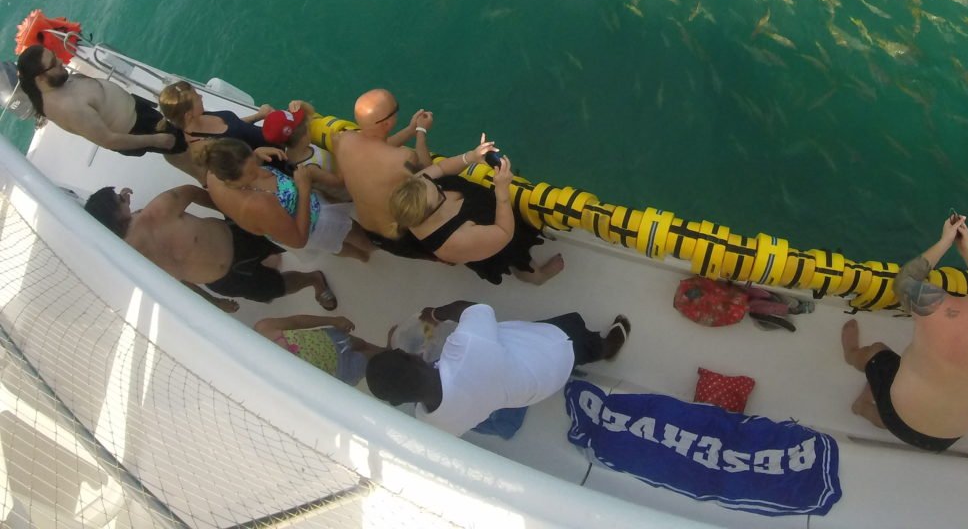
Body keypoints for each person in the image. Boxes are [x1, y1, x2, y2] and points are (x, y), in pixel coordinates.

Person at [841, 214, 968, 452]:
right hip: (954, 434)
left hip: (900, 417)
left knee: (877, 351)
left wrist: (945, 241)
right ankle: (872, 408)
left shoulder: (938, 309)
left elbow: (905, 280)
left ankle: (856, 378)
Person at [365, 301, 629, 436]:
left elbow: (422, 379)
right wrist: (437, 313)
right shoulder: (467, 349)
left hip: (530, 390)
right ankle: (605, 348)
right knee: (576, 328)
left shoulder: (430, 422)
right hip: (552, 349)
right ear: (412, 358)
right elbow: (476, 309)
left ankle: (589, 351)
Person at [83, 184, 337, 310]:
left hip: (239, 238)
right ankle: (313, 280)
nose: (125, 197)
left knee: (292, 238)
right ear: (117, 214)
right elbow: (177, 281)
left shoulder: (158, 211)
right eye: (119, 199)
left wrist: (232, 211)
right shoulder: (134, 262)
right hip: (223, 280)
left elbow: (193, 192)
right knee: (274, 289)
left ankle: (285, 253)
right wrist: (212, 300)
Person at [387, 139, 562, 285]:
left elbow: (441, 170)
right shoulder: (454, 241)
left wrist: (470, 156)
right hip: (495, 237)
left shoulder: (417, 189)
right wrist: (502, 192)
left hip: (486, 209)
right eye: (439, 192)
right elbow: (504, 233)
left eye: (431, 182)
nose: (439, 184)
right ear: (428, 213)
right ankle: (538, 278)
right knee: (519, 260)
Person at [195, 138, 373, 261]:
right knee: (356, 236)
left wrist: (256, 154)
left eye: (253, 163)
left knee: (332, 246)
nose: (259, 171)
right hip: (315, 224)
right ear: (231, 181)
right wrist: (303, 189)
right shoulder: (260, 204)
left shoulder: (213, 175)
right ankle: (369, 250)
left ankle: (360, 256)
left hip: (281, 227)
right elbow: (299, 240)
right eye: (251, 173)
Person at [17, 46, 182, 157]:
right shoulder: (68, 109)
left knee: (180, 135)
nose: (60, 60)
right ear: (40, 79)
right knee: (182, 146)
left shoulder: (55, 83)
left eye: (54, 56)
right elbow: (109, 140)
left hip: (134, 107)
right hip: (140, 126)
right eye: (53, 63)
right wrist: (155, 140)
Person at [330, 88, 434, 245]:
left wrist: (410, 130)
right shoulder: (404, 158)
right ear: (387, 122)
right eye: (396, 109)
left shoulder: (342, 140)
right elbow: (430, 174)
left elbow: (378, 152)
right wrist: (421, 132)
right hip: (399, 235)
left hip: (367, 230)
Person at [158, 82, 315, 167]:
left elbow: (234, 126)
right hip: (275, 160)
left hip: (277, 138)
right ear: (188, 115)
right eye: (197, 97)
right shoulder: (200, 145)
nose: (201, 96)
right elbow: (236, 171)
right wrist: (257, 155)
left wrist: (258, 116)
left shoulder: (202, 115)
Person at [253, 313, 384, 385]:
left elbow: (297, 321)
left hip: (332, 339)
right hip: (341, 370)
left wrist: (333, 320)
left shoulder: (264, 328)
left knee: (363, 344)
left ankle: (390, 352)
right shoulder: (266, 376)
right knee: (374, 360)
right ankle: (393, 359)